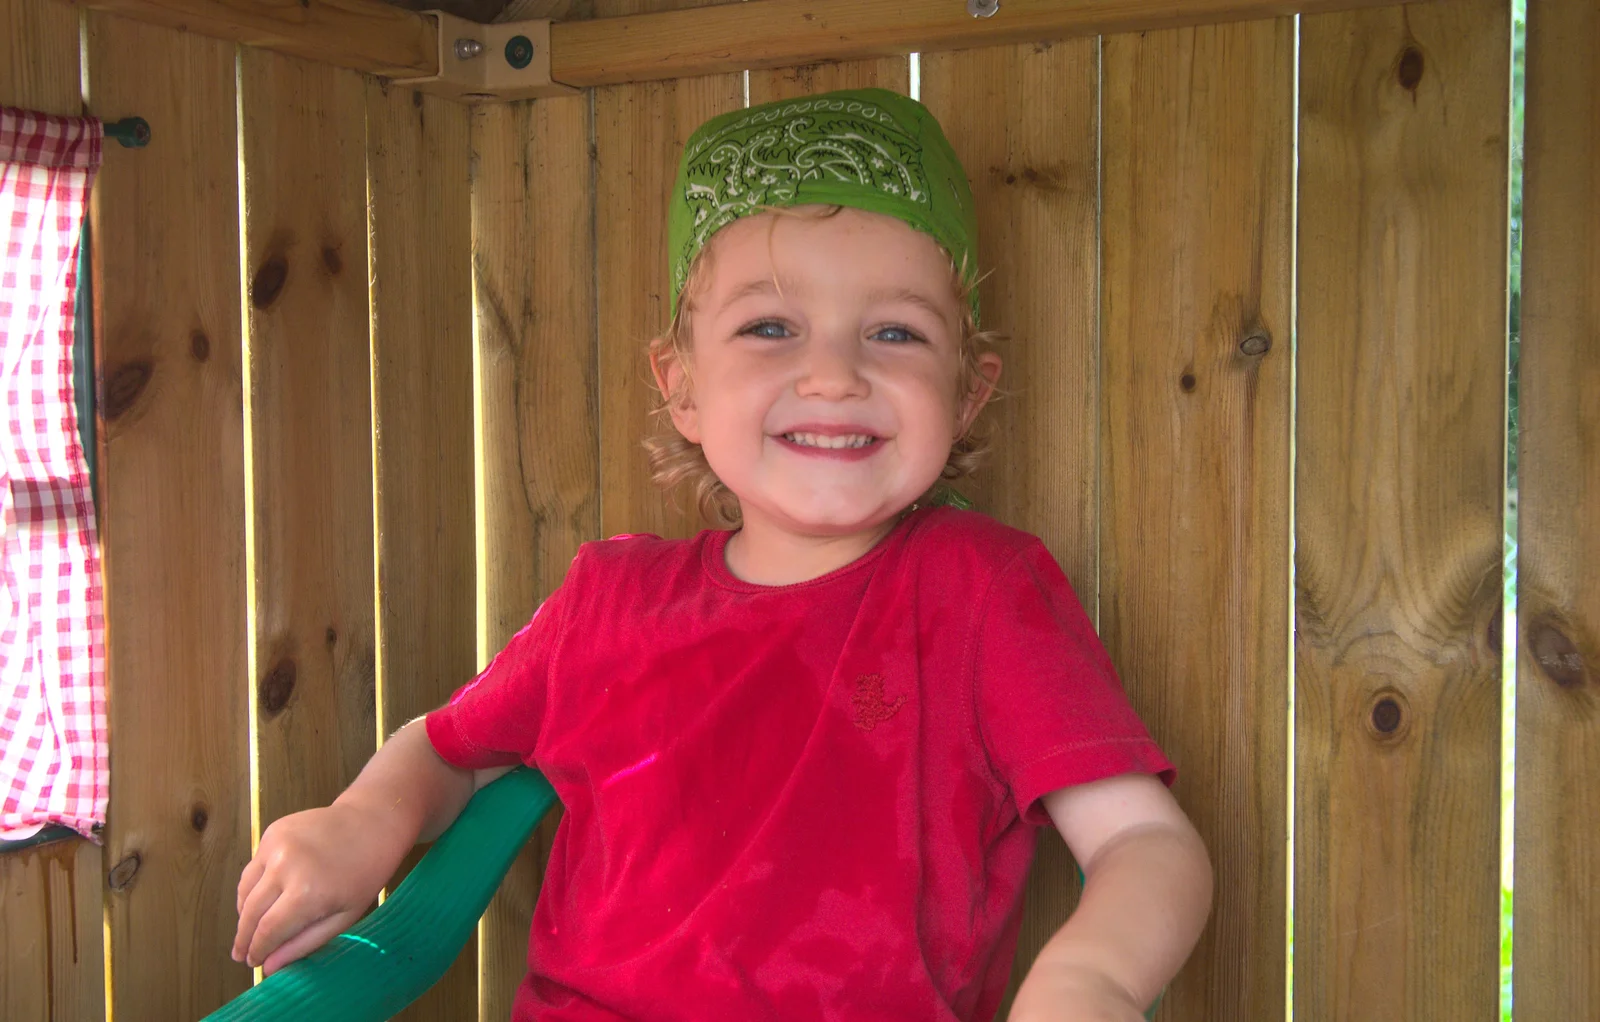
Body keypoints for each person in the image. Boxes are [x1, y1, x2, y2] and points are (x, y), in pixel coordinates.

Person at [232, 88, 1211, 1022]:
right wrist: (358, 824)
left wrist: (1092, 979)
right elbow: (450, 751)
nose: (833, 372)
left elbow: (1142, 839)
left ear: (966, 391)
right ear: (683, 386)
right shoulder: (607, 599)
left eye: (895, 331)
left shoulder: (978, 590)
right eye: (770, 326)